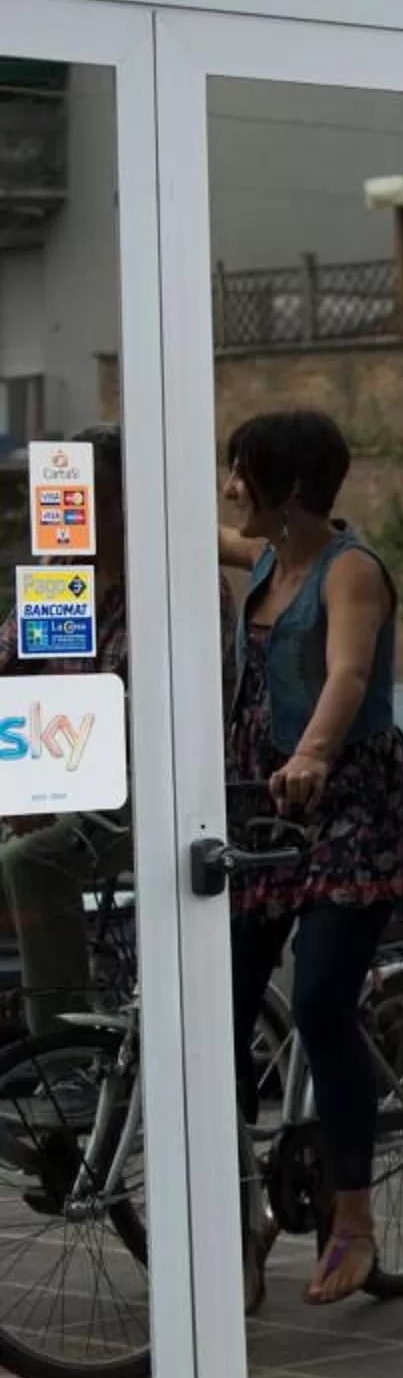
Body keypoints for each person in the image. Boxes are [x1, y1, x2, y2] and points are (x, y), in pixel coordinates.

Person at [220, 409, 403, 1309]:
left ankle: (353, 1220)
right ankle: (237, 1217)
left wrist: (313, 755)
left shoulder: (351, 571)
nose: (230, 488)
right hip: (263, 809)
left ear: (283, 490)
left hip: (350, 806)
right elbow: (202, 537)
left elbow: (350, 675)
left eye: (239, 472)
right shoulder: (269, 561)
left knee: (320, 997)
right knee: (219, 1011)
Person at [1, 426, 134, 1037]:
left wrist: (46, 791)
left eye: (91, 492)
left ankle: (64, 1052)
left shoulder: (167, 590)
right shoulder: (62, 573)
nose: (72, 504)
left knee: (33, 861)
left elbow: (136, 718)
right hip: (66, 783)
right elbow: (8, 661)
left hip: (143, 795)